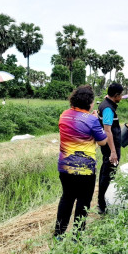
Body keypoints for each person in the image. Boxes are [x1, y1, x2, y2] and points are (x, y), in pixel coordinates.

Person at [54, 85, 107, 238]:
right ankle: (77, 235)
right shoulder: (92, 120)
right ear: (89, 102)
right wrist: (96, 120)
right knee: (83, 201)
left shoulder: (64, 115)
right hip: (85, 169)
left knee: (67, 198)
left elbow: (76, 121)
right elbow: (102, 142)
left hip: (65, 167)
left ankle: (59, 234)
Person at [97, 83, 123, 214]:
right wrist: (113, 152)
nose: (122, 97)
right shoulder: (108, 108)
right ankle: (103, 205)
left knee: (105, 173)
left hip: (109, 148)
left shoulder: (105, 105)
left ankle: (102, 202)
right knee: (108, 176)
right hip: (110, 148)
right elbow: (107, 131)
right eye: (121, 95)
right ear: (116, 95)